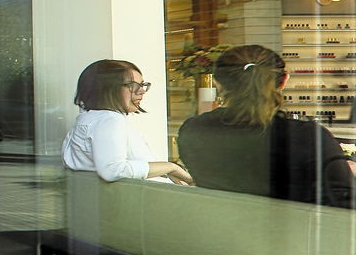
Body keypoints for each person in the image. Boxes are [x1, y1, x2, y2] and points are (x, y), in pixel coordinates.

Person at [177, 44, 355, 208]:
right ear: (284, 80)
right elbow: (343, 204)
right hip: (295, 237)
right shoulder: (309, 137)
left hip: (219, 234)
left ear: (217, 83)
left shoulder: (194, 130)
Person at [63, 59, 192, 184]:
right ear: (107, 88)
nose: (141, 91)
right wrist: (171, 167)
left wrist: (162, 171)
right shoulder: (110, 120)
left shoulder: (87, 120)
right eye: (133, 86)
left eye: (142, 85)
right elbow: (113, 170)